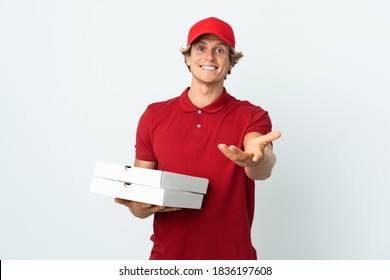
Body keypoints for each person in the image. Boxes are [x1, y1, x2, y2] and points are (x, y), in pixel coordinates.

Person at [114, 17, 281, 260]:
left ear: (231, 61)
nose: (210, 56)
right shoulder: (154, 115)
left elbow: (262, 168)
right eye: (201, 48)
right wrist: (138, 207)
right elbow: (140, 201)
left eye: (220, 50)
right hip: (168, 260)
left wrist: (257, 159)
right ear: (189, 57)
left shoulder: (252, 116)